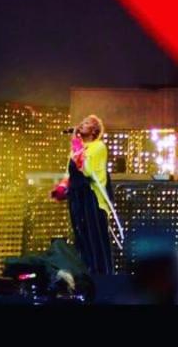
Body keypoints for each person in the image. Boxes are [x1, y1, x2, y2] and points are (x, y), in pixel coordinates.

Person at [67, 114, 115, 274]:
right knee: (81, 235)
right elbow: (71, 171)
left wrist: (75, 142)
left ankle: (101, 275)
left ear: (94, 130)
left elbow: (85, 169)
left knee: (95, 237)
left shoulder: (98, 146)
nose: (81, 124)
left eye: (86, 123)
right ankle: (85, 270)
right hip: (77, 196)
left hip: (92, 196)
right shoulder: (80, 148)